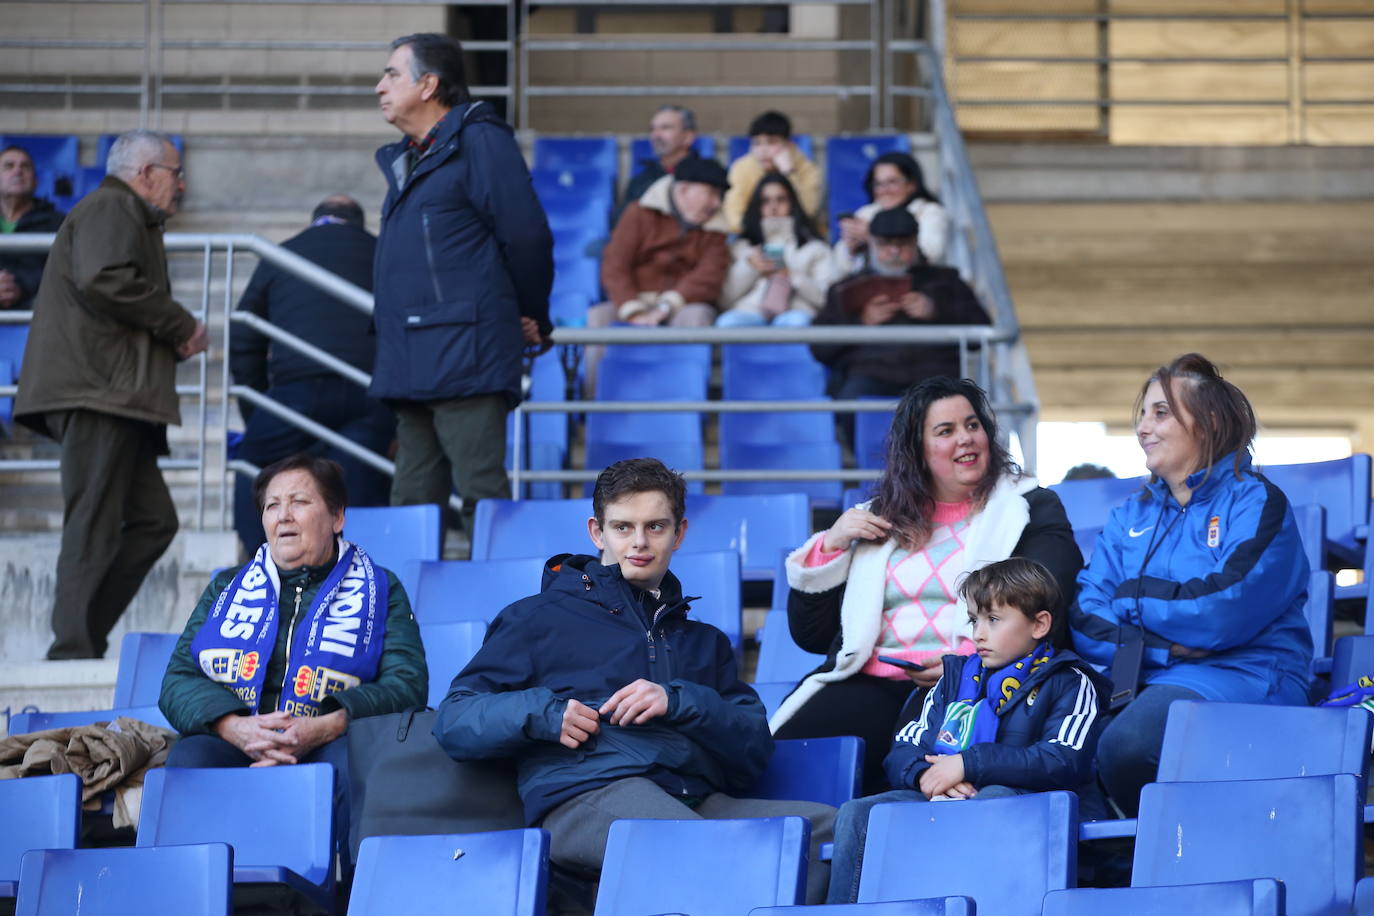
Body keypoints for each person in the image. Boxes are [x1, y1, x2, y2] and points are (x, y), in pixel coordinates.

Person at [433, 458, 836, 905]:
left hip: (691, 796)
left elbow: (754, 749)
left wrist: (678, 700)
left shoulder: (704, 642)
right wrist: (545, 714)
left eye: (655, 527)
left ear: (679, 532)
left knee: (827, 832)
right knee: (693, 847)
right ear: (596, 532)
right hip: (585, 793)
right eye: (623, 527)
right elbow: (455, 717)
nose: (639, 542)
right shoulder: (536, 618)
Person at [771, 376, 1082, 793]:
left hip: (976, 682)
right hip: (873, 678)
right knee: (778, 764)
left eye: (973, 426)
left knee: (914, 775)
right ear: (917, 448)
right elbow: (812, 636)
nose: (966, 439)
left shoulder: (1030, 506)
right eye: (946, 431)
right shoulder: (875, 517)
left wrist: (966, 657)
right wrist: (831, 545)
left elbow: (1048, 601)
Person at [1070, 352, 1313, 817]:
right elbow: (1085, 616)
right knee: (1055, 746)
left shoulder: (1256, 500)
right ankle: (1121, 870)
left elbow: (1224, 610)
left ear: (1208, 421)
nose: (1143, 427)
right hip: (1145, 676)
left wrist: (1132, 596)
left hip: (1248, 674)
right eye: (1142, 414)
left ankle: (1165, 858)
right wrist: (1166, 650)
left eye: (1160, 413)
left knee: (1128, 744)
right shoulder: (1129, 516)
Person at [14, 129, 209, 660]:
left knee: (154, 522)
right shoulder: (112, 207)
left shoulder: (125, 213)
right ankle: (71, 647)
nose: (182, 184)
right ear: (146, 173)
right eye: (175, 173)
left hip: (115, 394)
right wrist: (179, 323)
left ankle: (84, 636)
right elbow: (105, 279)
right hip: (98, 391)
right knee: (94, 520)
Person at [826, 557, 1109, 903]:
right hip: (948, 797)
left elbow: (1063, 760)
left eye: (993, 620)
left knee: (992, 801)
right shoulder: (953, 680)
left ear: (1039, 624)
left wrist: (968, 764)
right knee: (857, 814)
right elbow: (904, 749)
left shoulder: (1070, 681)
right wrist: (925, 777)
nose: (978, 633)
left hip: (1040, 813)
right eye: (974, 619)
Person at [371, 32, 553, 538]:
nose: (379, 86)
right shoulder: (407, 157)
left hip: (466, 352)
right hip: (411, 355)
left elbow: (527, 235)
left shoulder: (480, 139)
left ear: (428, 84)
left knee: (482, 497)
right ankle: (399, 616)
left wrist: (532, 312)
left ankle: (505, 613)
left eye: (391, 74)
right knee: (409, 503)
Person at [159, 453, 427, 773]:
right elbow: (178, 680)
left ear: (337, 517)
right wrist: (234, 728)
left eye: (298, 502)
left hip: (330, 738)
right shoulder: (227, 586)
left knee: (351, 765)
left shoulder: (382, 587)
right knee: (190, 759)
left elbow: (406, 684)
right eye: (272, 506)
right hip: (236, 737)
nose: (283, 516)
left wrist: (329, 725)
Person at [230, 194, 395, 556]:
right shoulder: (385, 252)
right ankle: (362, 575)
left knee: (251, 464)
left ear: (315, 220)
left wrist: (255, 408)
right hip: (369, 395)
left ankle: (258, 566)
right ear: (357, 223)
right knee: (360, 479)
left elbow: (242, 335)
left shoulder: (283, 253)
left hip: (297, 391)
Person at [583, 157, 731, 394]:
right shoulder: (639, 213)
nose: (716, 203)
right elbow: (615, 264)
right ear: (684, 189)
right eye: (712, 193)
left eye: (719, 196)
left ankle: (684, 403)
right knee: (598, 317)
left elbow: (708, 276)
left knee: (696, 317)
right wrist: (633, 309)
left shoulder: (716, 229)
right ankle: (594, 404)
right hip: (633, 299)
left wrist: (665, 306)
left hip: (682, 305)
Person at [812, 208, 989, 402]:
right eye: (885, 244)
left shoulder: (946, 281)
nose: (894, 252)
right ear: (871, 244)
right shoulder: (846, 287)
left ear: (915, 243)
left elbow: (982, 333)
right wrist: (861, 321)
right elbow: (820, 348)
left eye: (902, 244)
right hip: (869, 376)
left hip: (935, 377)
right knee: (852, 401)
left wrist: (936, 311)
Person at [716, 173, 831, 328]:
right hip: (749, 312)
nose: (773, 207)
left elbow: (826, 300)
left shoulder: (815, 249)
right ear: (757, 206)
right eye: (765, 201)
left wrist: (791, 276)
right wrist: (749, 267)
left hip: (796, 312)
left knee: (797, 322)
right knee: (728, 323)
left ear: (793, 204)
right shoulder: (740, 248)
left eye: (781, 199)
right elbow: (723, 300)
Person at [832, 151, 948, 277]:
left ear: (912, 185)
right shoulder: (866, 213)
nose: (884, 190)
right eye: (878, 184)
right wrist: (850, 249)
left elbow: (931, 254)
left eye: (892, 182)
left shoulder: (929, 211)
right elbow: (841, 268)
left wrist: (872, 236)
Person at [722, 110, 823, 234]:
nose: (763, 150)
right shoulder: (741, 168)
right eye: (757, 143)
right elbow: (734, 217)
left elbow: (808, 211)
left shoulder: (807, 169)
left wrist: (789, 173)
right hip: (754, 234)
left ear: (788, 144)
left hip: (795, 235)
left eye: (771, 142)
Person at [0, 145, 66, 310]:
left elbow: (62, 273)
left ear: (36, 181)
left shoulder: (58, 222)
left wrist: (19, 288)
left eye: (25, 166)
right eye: (9, 166)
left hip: (35, 309)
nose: (18, 171)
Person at [616, 104, 701, 225]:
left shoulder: (708, 176)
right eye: (652, 129)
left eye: (665, 128)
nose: (656, 135)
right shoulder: (641, 181)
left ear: (688, 137)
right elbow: (620, 222)